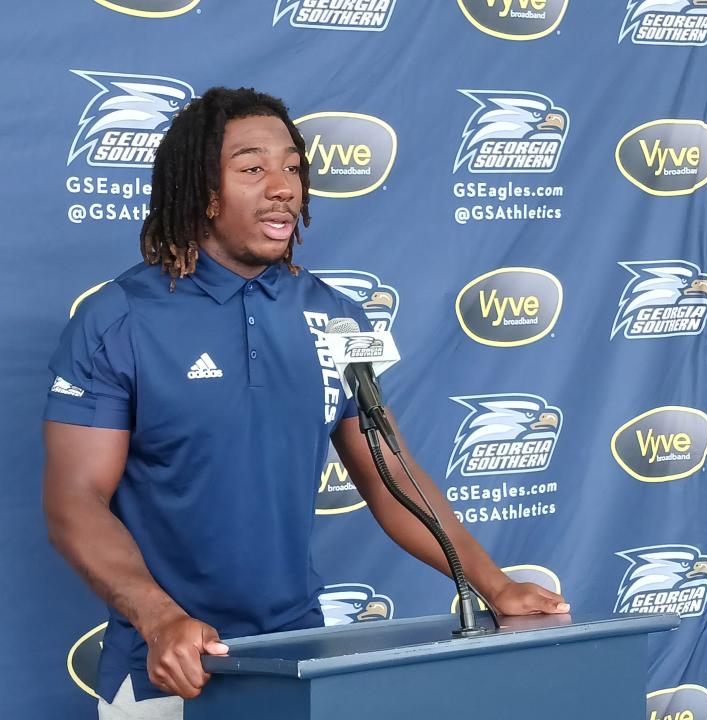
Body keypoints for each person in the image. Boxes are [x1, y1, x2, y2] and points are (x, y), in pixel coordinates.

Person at [42, 87, 569, 720]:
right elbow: (75, 500)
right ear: (203, 191)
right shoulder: (119, 318)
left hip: (297, 656)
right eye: (252, 168)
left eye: (292, 167)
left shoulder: (335, 317)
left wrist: (495, 584)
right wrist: (159, 617)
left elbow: (391, 472)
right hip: (168, 668)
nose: (283, 187)